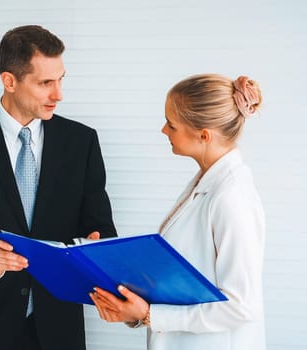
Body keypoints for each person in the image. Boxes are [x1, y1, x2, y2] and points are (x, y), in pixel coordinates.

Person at [0, 25, 117, 350]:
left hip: (58, 330)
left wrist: (93, 248)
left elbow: (101, 230)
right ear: (9, 81)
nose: (59, 94)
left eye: (60, 80)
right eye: (45, 83)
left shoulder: (81, 142)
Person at [89, 74, 265, 350]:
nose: (163, 130)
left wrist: (149, 314)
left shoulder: (232, 196)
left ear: (203, 135)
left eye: (172, 125)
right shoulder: (206, 182)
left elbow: (240, 307)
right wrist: (135, 308)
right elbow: (183, 278)